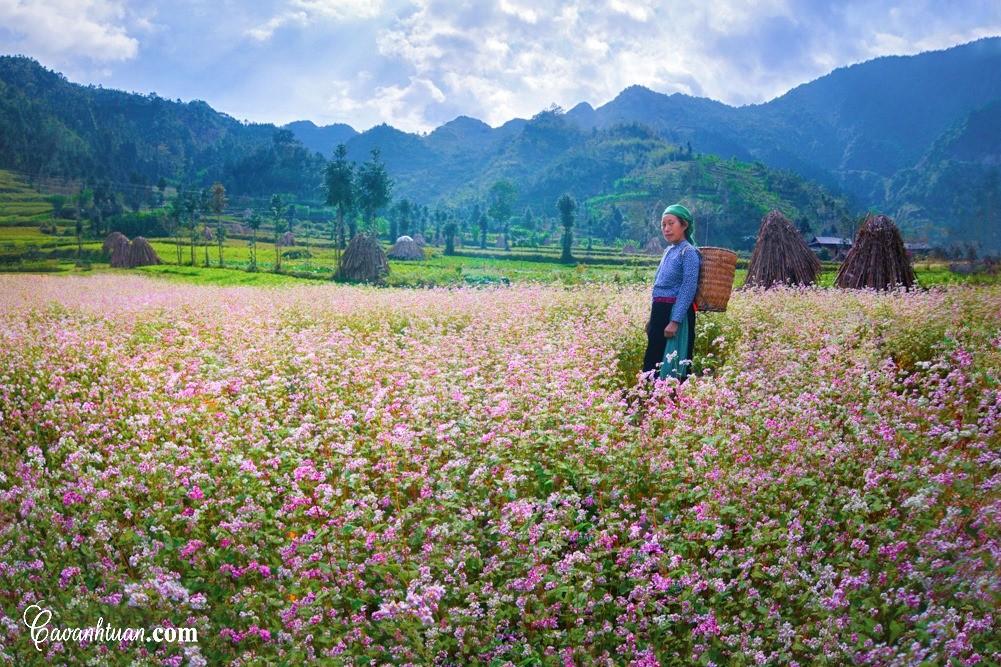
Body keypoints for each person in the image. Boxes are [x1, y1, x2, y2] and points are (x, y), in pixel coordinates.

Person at [641, 203, 701, 382]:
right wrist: (653, 319)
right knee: (653, 357)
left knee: (673, 360)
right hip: (660, 310)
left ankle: (670, 402)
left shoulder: (688, 252)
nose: (666, 229)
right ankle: (649, 399)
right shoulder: (669, 250)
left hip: (676, 312)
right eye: (663, 225)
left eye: (671, 223)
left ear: (684, 225)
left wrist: (675, 321)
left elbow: (688, 287)